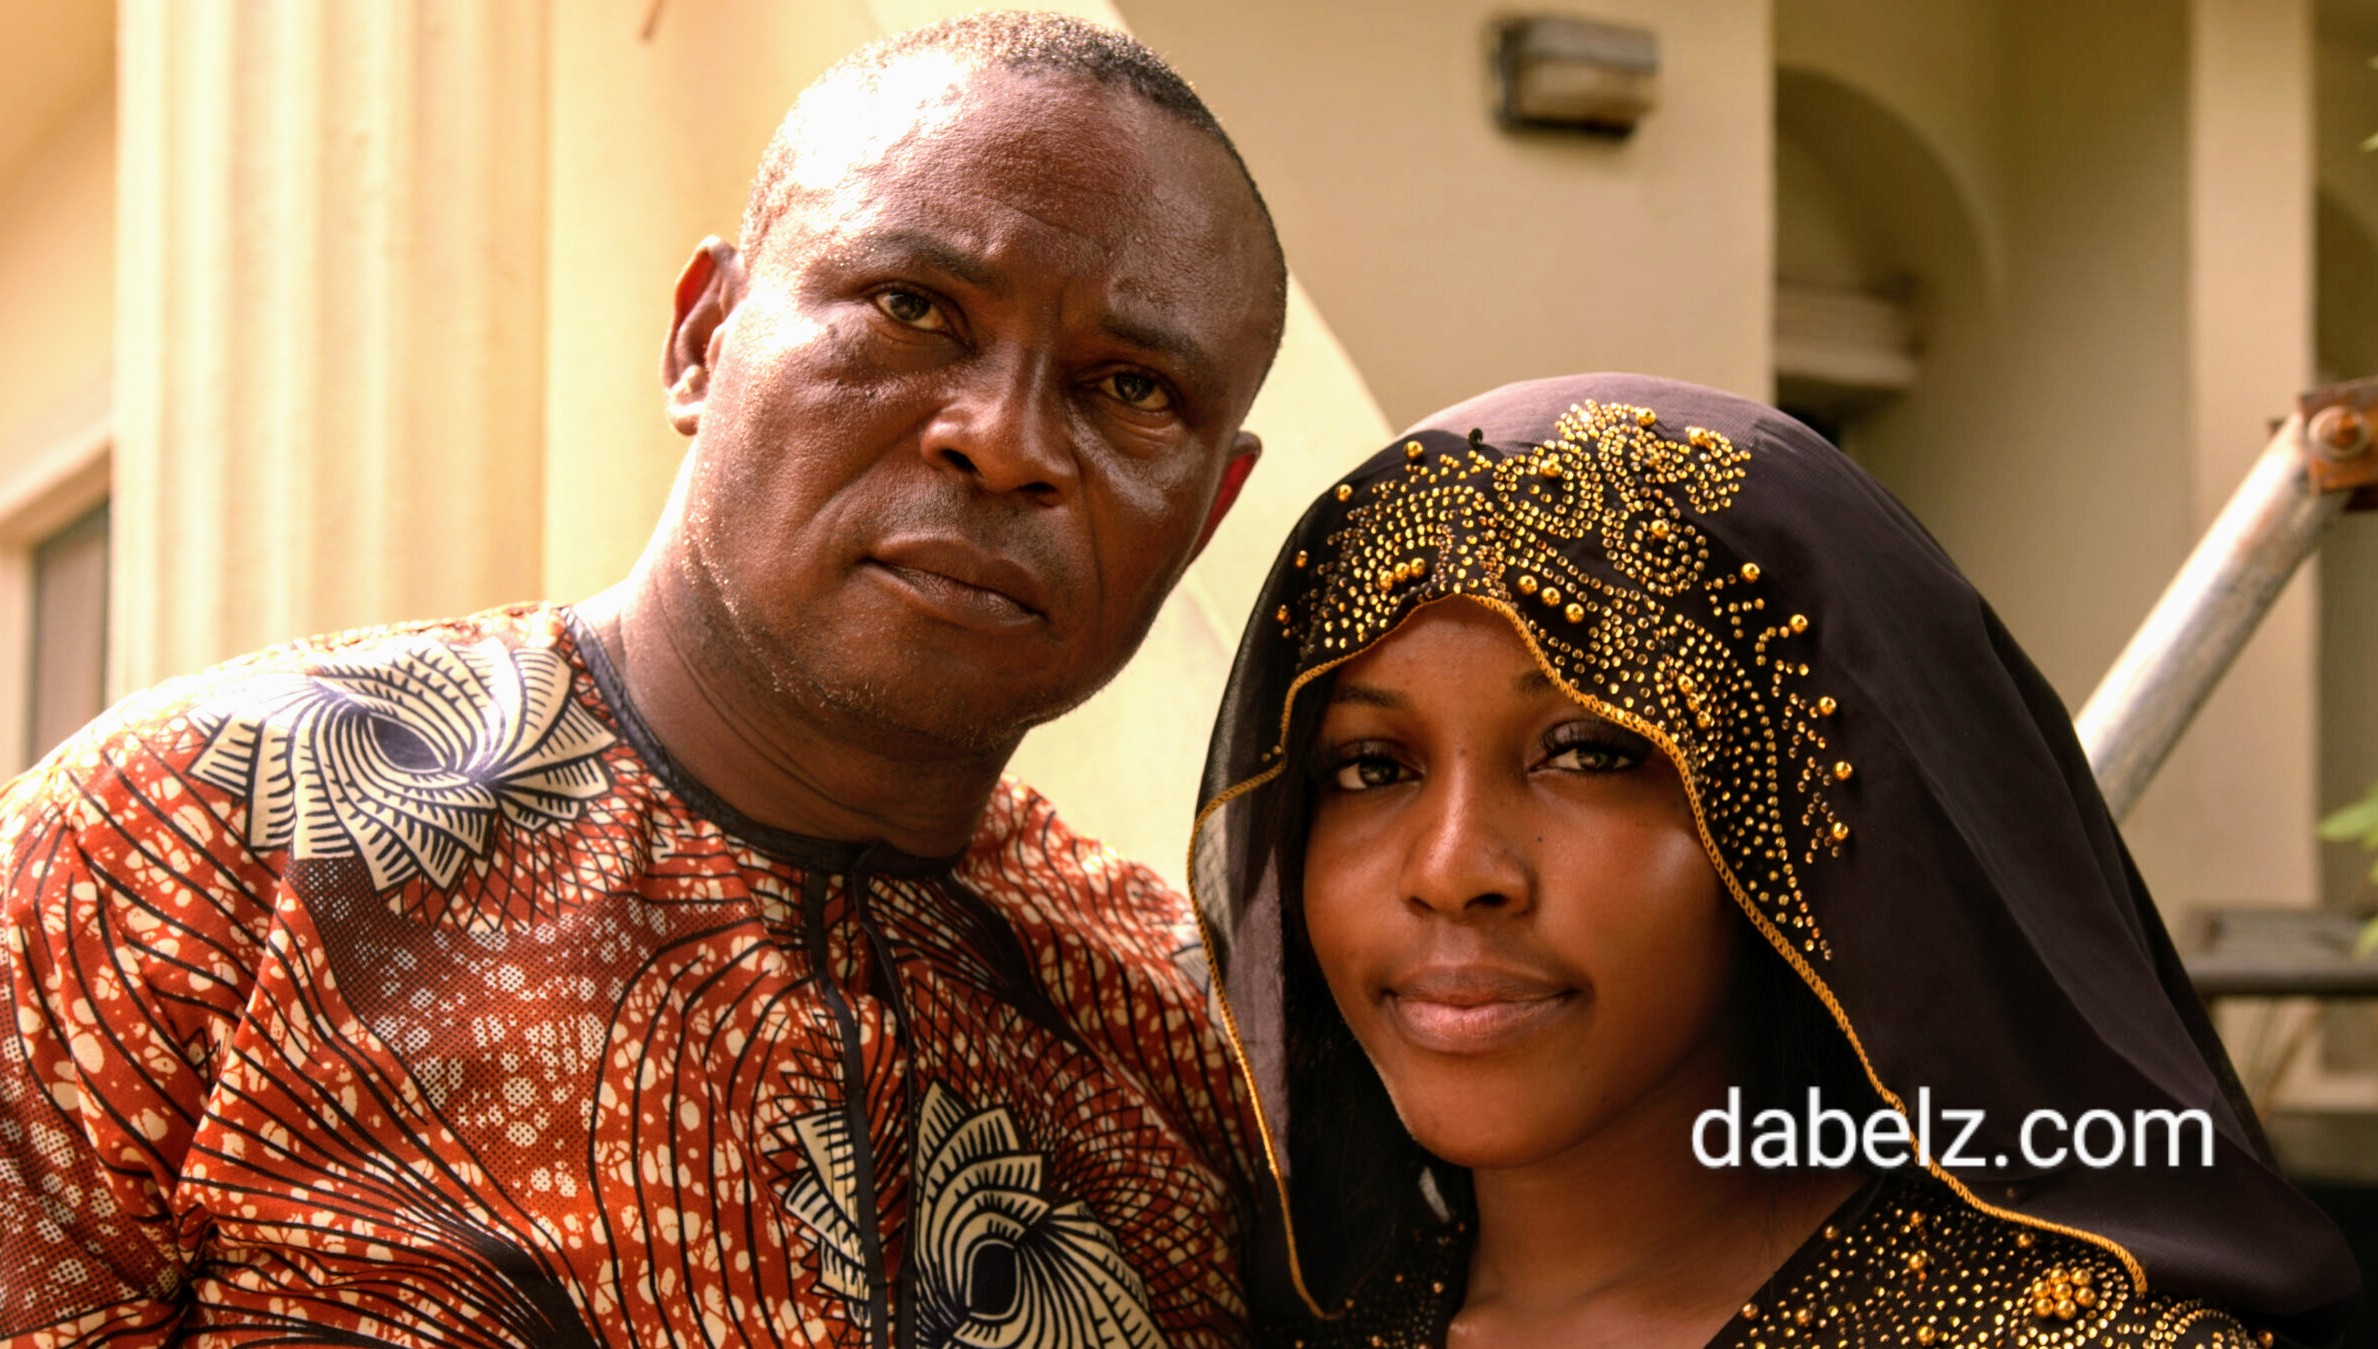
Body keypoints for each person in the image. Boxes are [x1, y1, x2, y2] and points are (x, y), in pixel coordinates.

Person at [0, 14, 1287, 1345]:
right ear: (702, 337)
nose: (1004, 441)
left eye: (1133, 388)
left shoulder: (1195, 1041)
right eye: (912, 308)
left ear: (1206, 510)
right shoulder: (178, 850)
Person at [1188, 374, 2361, 1348]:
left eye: (1588, 751)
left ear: (1793, 820)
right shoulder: (1246, 1320)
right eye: (1369, 766)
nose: (1451, 869)